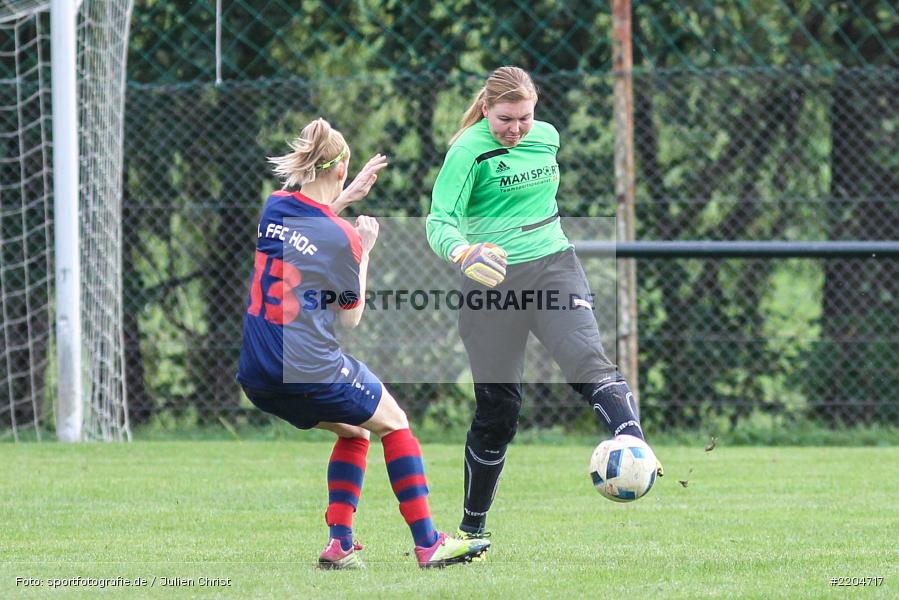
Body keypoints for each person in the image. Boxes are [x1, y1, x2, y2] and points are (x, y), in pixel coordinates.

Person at [237, 118, 489, 569]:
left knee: (354, 432)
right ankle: (429, 543)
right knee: (395, 423)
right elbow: (350, 317)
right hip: (308, 367)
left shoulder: (273, 209)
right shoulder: (344, 238)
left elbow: (310, 220)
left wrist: (345, 195)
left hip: (256, 372)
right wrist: (365, 249)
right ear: (340, 167)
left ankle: (340, 544)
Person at [426, 66, 663, 546]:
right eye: (505, 119)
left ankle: (633, 441)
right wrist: (465, 251)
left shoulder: (547, 138)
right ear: (486, 109)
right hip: (491, 283)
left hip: (554, 265)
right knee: (498, 411)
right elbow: (439, 221)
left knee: (585, 361)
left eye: (525, 118)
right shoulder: (467, 151)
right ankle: (472, 529)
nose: (516, 129)